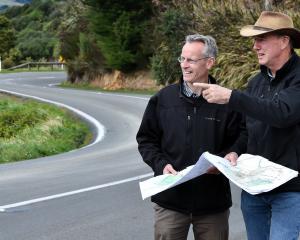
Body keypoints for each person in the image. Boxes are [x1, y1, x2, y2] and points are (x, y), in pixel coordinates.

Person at [194, 11, 300, 240]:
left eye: (261, 39)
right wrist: (234, 151)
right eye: (254, 40)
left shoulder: (298, 78)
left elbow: (282, 113)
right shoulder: (256, 83)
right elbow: (247, 129)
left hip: (291, 191)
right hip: (254, 189)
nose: (255, 46)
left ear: (284, 41)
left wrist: (233, 97)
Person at [136, 34, 246, 240]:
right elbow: (146, 140)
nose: (184, 65)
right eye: (182, 59)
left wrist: (227, 157)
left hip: (213, 205)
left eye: (191, 60)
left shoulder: (227, 101)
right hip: (170, 201)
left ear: (210, 62)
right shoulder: (163, 99)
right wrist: (160, 165)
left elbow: (241, 137)